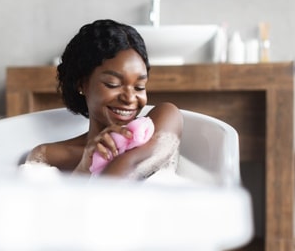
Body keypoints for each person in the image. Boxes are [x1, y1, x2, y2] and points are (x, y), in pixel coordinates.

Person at [25, 19, 183, 180]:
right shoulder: (46, 156)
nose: (129, 98)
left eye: (139, 87)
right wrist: (83, 168)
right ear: (81, 84)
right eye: (112, 84)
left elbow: (131, 166)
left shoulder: (165, 119)